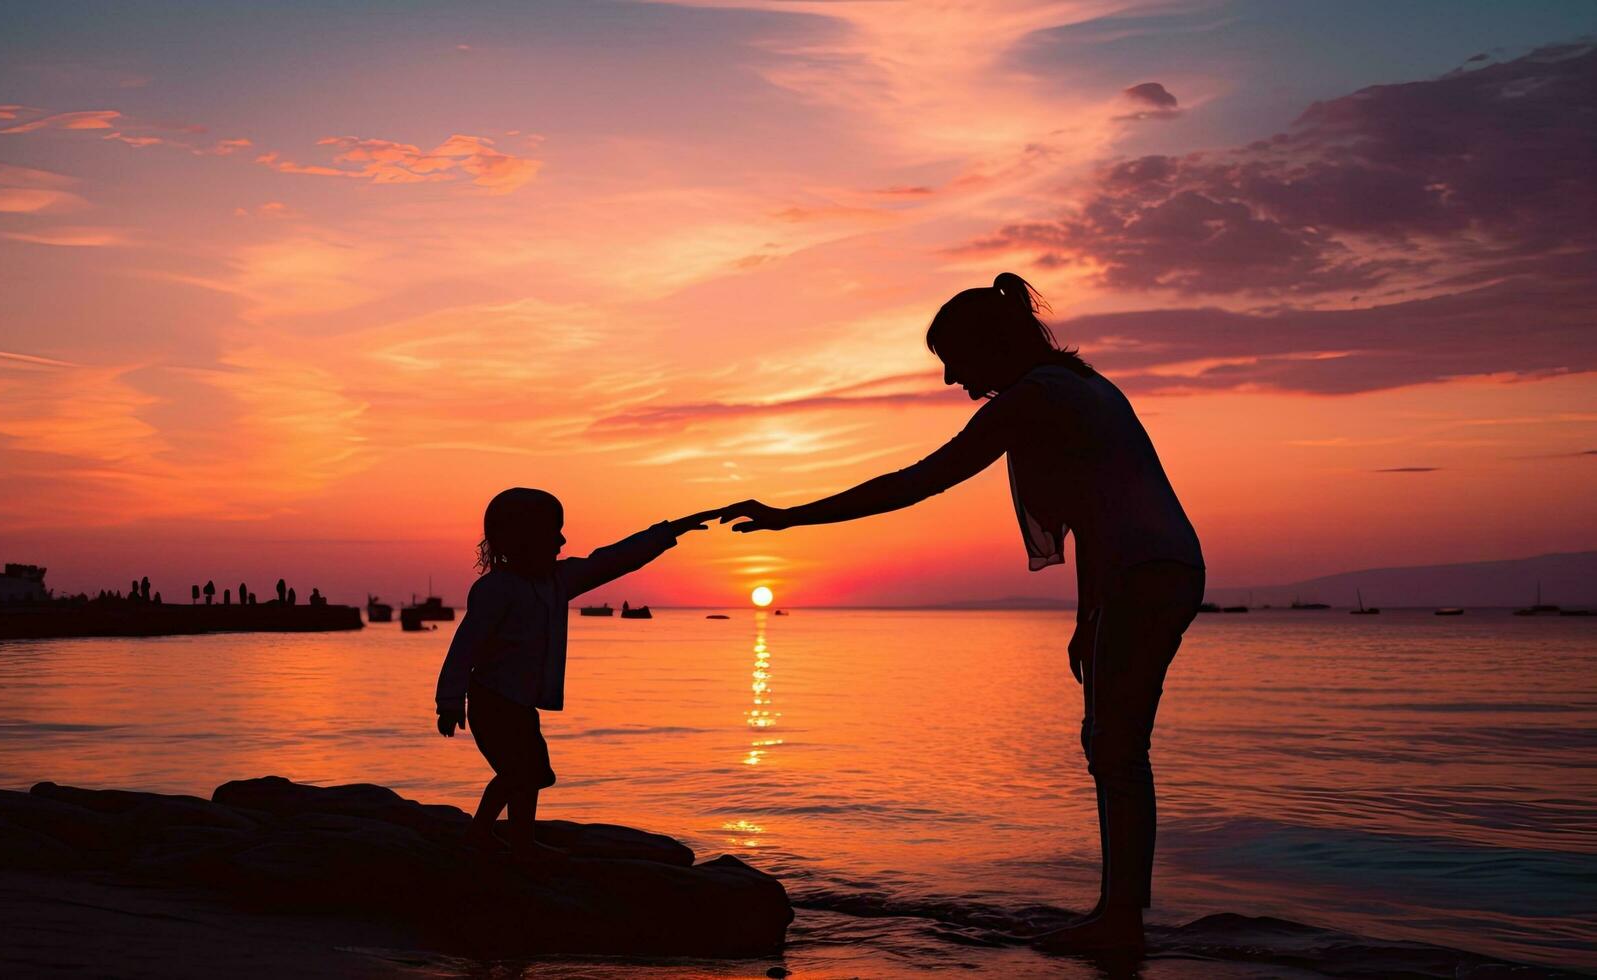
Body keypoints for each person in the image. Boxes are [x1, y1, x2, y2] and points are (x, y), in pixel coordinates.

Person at [713, 272, 1204, 953]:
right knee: (1111, 746)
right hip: (1155, 570)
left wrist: (789, 519)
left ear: (989, 345)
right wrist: (1086, 617)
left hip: (1143, 574)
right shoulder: (1080, 387)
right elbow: (1102, 510)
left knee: (1115, 750)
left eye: (953, 359)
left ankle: (1119, 920)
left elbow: (918, 481)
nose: (949, 379)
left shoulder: (1035, 398)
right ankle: (1116, 912)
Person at [435, 487, 717, 861]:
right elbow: (463, 648)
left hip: (519, 703)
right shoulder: (496, 588)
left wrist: (670, 532)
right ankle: (485, 833)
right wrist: (450, 701)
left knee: (528, 771)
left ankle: (515, 838)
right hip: (492, 699)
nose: (563, 540)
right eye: (555, 531)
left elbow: (614, 560)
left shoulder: (557, 581)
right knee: (520, 770)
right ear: (524, 537)